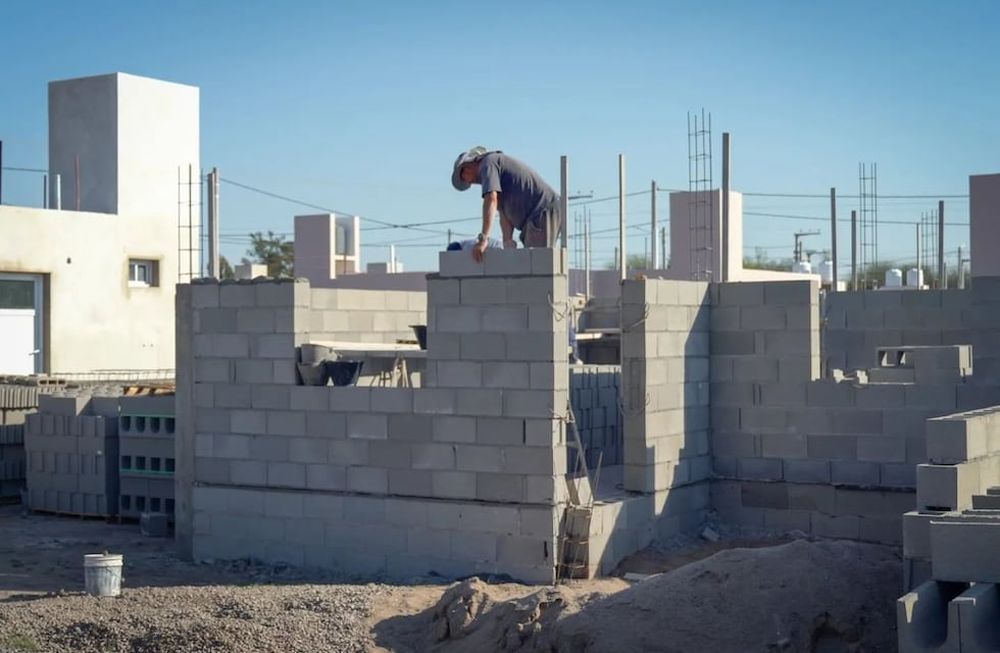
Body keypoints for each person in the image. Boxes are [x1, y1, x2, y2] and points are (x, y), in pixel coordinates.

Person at [451, 147, 562, 262]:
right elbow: (504, 214)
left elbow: (491, 200)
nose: (469, 182)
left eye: (464, 179)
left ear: (466, 168)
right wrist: (507, 242)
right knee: (530, 264)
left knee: (536, 264)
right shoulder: (494, 170)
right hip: (536, 216)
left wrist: (483, 239)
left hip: (541, 210)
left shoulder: (488, 164)